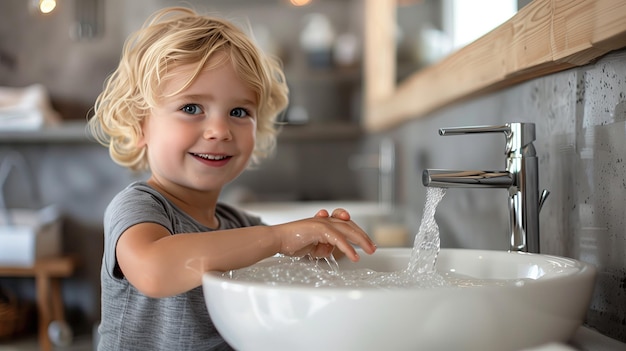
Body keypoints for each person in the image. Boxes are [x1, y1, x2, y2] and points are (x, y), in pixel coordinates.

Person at [87, 6, 376, 351]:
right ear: (139, 127)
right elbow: (154, 269)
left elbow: (277, 266)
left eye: (239, 112)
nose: (220, 130)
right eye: (191, 108)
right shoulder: (139, 206)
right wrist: (279, 238)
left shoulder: (239, 225)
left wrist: (321, 246)